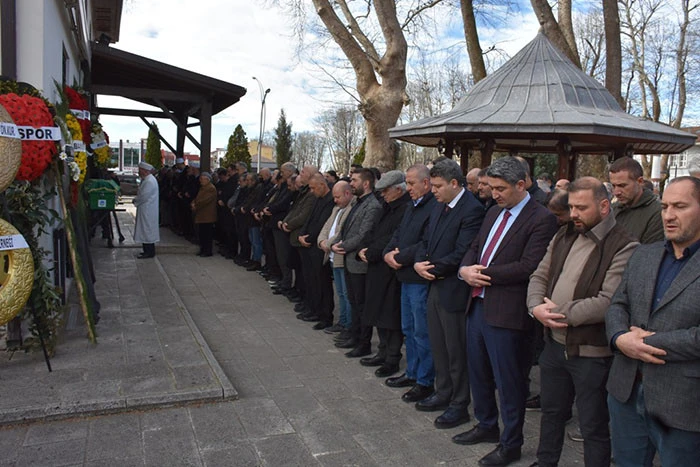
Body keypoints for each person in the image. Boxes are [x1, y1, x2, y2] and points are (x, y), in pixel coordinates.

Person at [527, 177, 638, 467]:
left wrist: (557, 314)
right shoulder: (565, 234)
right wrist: (535, 307)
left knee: (593, 426)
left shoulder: (625, 245)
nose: (573, 213)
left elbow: (608, 301)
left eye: (581, 208)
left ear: (604, 206)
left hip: (591, 354)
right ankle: (545, 462)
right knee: (551, 414)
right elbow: (540, 274)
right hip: (554, 346)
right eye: (571, 207)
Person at [456, 156, 557, 467]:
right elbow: (475, 247)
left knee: (509, 381)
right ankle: (486, 424)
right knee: (478, 372)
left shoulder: (541, 218)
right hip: (478, 304)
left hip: (508, 313)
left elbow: (529, 266)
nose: (494, 193)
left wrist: (483, 273)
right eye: (492, 187)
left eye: (500, 189)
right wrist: (464, 270)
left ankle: (511, 443)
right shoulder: (492, 212)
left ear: (521, 185)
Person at [606, 176, 700, 467]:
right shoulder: (644, 254)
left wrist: (646, 343)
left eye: (680, 207)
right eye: (664, 206)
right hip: (626, 391)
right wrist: (619, 338)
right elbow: (618, 303)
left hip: (683, 402)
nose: (668, 215)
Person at [413, 159, 485, 430]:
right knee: (439, 346)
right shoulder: (439, 205)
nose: (433, 190)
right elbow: (425, 241)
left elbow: (462, 252)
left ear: (454, 183)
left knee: (456, 351)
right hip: (435, 285)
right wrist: (419, 262)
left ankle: (459, 403)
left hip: (454, 290)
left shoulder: (472, 210)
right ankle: (443, 392)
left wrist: (430, 267)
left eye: (438, 186)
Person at [383, 164, 438, 403]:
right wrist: (388, 253)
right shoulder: (411, 206)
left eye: (411, 183)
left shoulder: (434, 207)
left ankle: (425, 381)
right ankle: (412, 372)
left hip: (419, 279)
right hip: (405, 277)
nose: (408, 188)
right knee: (408, 329)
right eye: (406, 183)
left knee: (421, 332)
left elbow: (425, 243)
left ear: (426, 183)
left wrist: (398, 257)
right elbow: (398, 234)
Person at [361, 170, 411, 377]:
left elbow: (392, 238)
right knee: (377, 313)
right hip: (376, 266)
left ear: (398, 190)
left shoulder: (405, 208)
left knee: (390, 316)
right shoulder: (387, 206)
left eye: (385, 191)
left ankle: (392, 357)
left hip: (390, 269)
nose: (382, 195)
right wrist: (364, 249)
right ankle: (382, 352)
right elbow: (374, 232)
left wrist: (371, 251)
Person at [331, 168, 382, 358]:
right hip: (349, 259)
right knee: (353, 301)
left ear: (366, 183)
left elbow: (364, 234)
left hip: (359, 263)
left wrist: (342, 246)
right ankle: (354, 336)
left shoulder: (373, 206)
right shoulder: (357, 202)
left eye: (354, 180)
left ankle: (363, 342)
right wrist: (336, 242)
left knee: (361, 304)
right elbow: (346, 228)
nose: (351, 183)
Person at [297, 173, 335, 329]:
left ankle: (325, 315)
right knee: (311, 280)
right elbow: (309, 219)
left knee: (322, 283)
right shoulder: (318, 199)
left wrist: (310, 238)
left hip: (318, 247)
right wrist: (301, 235)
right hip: (309, 245)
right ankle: (313, 308)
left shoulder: (330, 200)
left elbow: (322, 224)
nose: (312, 191)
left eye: (313, 188)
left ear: (322, 185)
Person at [318, 181, 356, 334]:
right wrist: (321, 241)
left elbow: (341, 231)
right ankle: (342, 321)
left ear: (347, 193)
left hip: (340, 256)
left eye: (338, 197)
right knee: (340, 293)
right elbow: (326, 227)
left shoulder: (352, 209)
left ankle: (348, 324)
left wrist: (328, 243)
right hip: (332, 256)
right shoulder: (336, 209)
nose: (335, 200)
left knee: (347, 294)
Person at [609, 156, 664, 244]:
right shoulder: (613, 209)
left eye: (622, 186)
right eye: (613, 186)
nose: (616, 192)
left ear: (640, 181)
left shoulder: (657, 213)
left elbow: (651, 250)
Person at [133, 161, 160, 259]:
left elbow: (144, 196)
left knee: (147, 230)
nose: (139, 172)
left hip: (147, 210)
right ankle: (146, 250)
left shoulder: (149, 181)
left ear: (145, 171)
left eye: (140, 170)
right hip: (146, 209)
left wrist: (135, 200)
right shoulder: (147, 180)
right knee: (145, 230)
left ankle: (149, 252)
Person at [191, 171, 217, 257]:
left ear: (207, 179)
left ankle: (207, 251)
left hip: (207, 215)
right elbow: (198, 197)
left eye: (202, 179)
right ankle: (203, 249)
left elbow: (205, 200)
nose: (200, 181)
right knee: (202, 233)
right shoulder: (203, 187)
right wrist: (193, 202)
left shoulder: (211, 188)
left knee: (207, 234)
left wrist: (196, 205)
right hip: (202, 214)